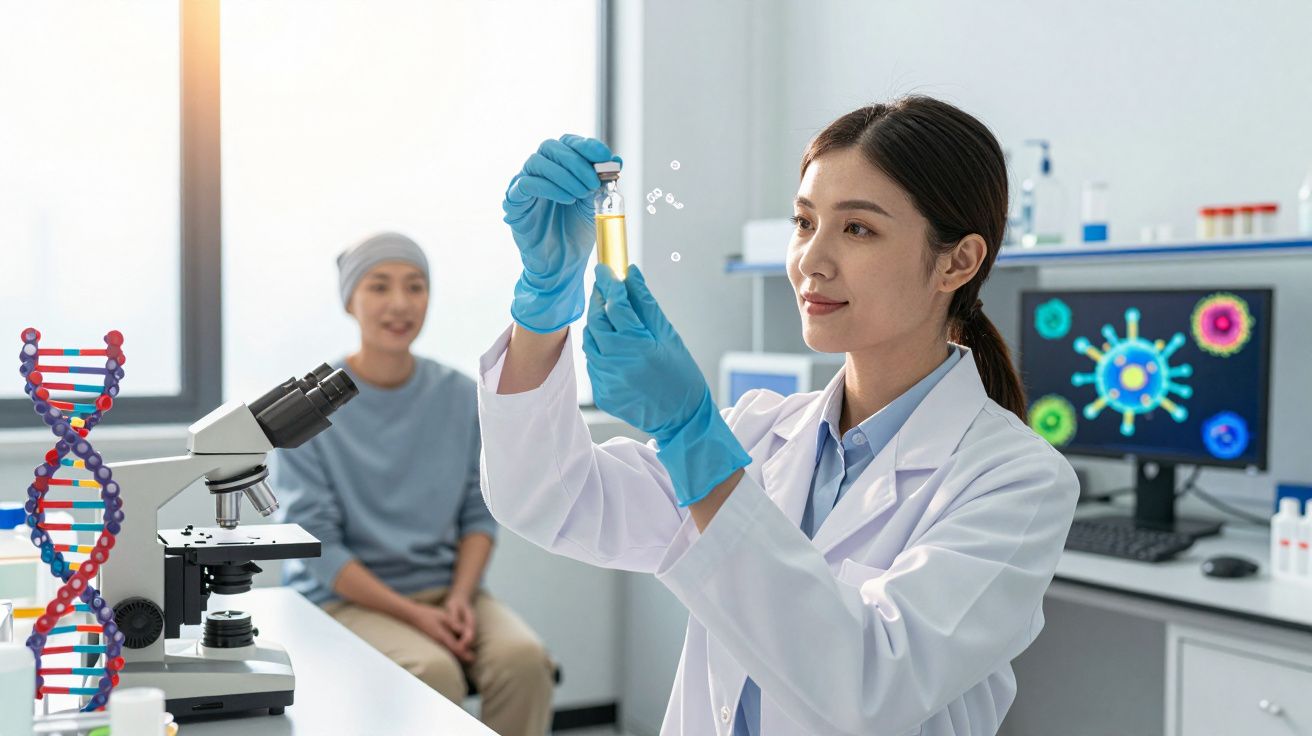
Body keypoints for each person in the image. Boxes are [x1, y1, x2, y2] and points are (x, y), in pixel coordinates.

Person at [477, 103, 1078, 736]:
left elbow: (870, 686)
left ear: (957, 262)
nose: (810, 260)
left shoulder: (1018, 481)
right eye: (804, 221)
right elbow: (549, 499)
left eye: (858, 230)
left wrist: (692, 434)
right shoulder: (759, 433)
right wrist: (545, 305)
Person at [274, 232, 554, 736]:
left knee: (525, 661)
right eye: (379, 287)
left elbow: (478, 509)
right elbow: (315, 545)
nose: (400, 304)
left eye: (415, 287)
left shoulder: (458, 395)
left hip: (447, 590)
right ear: (351, 301)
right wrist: (413, 616)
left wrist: (461, 599)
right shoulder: (309, 409)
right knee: (432, 674)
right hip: (343, 600)